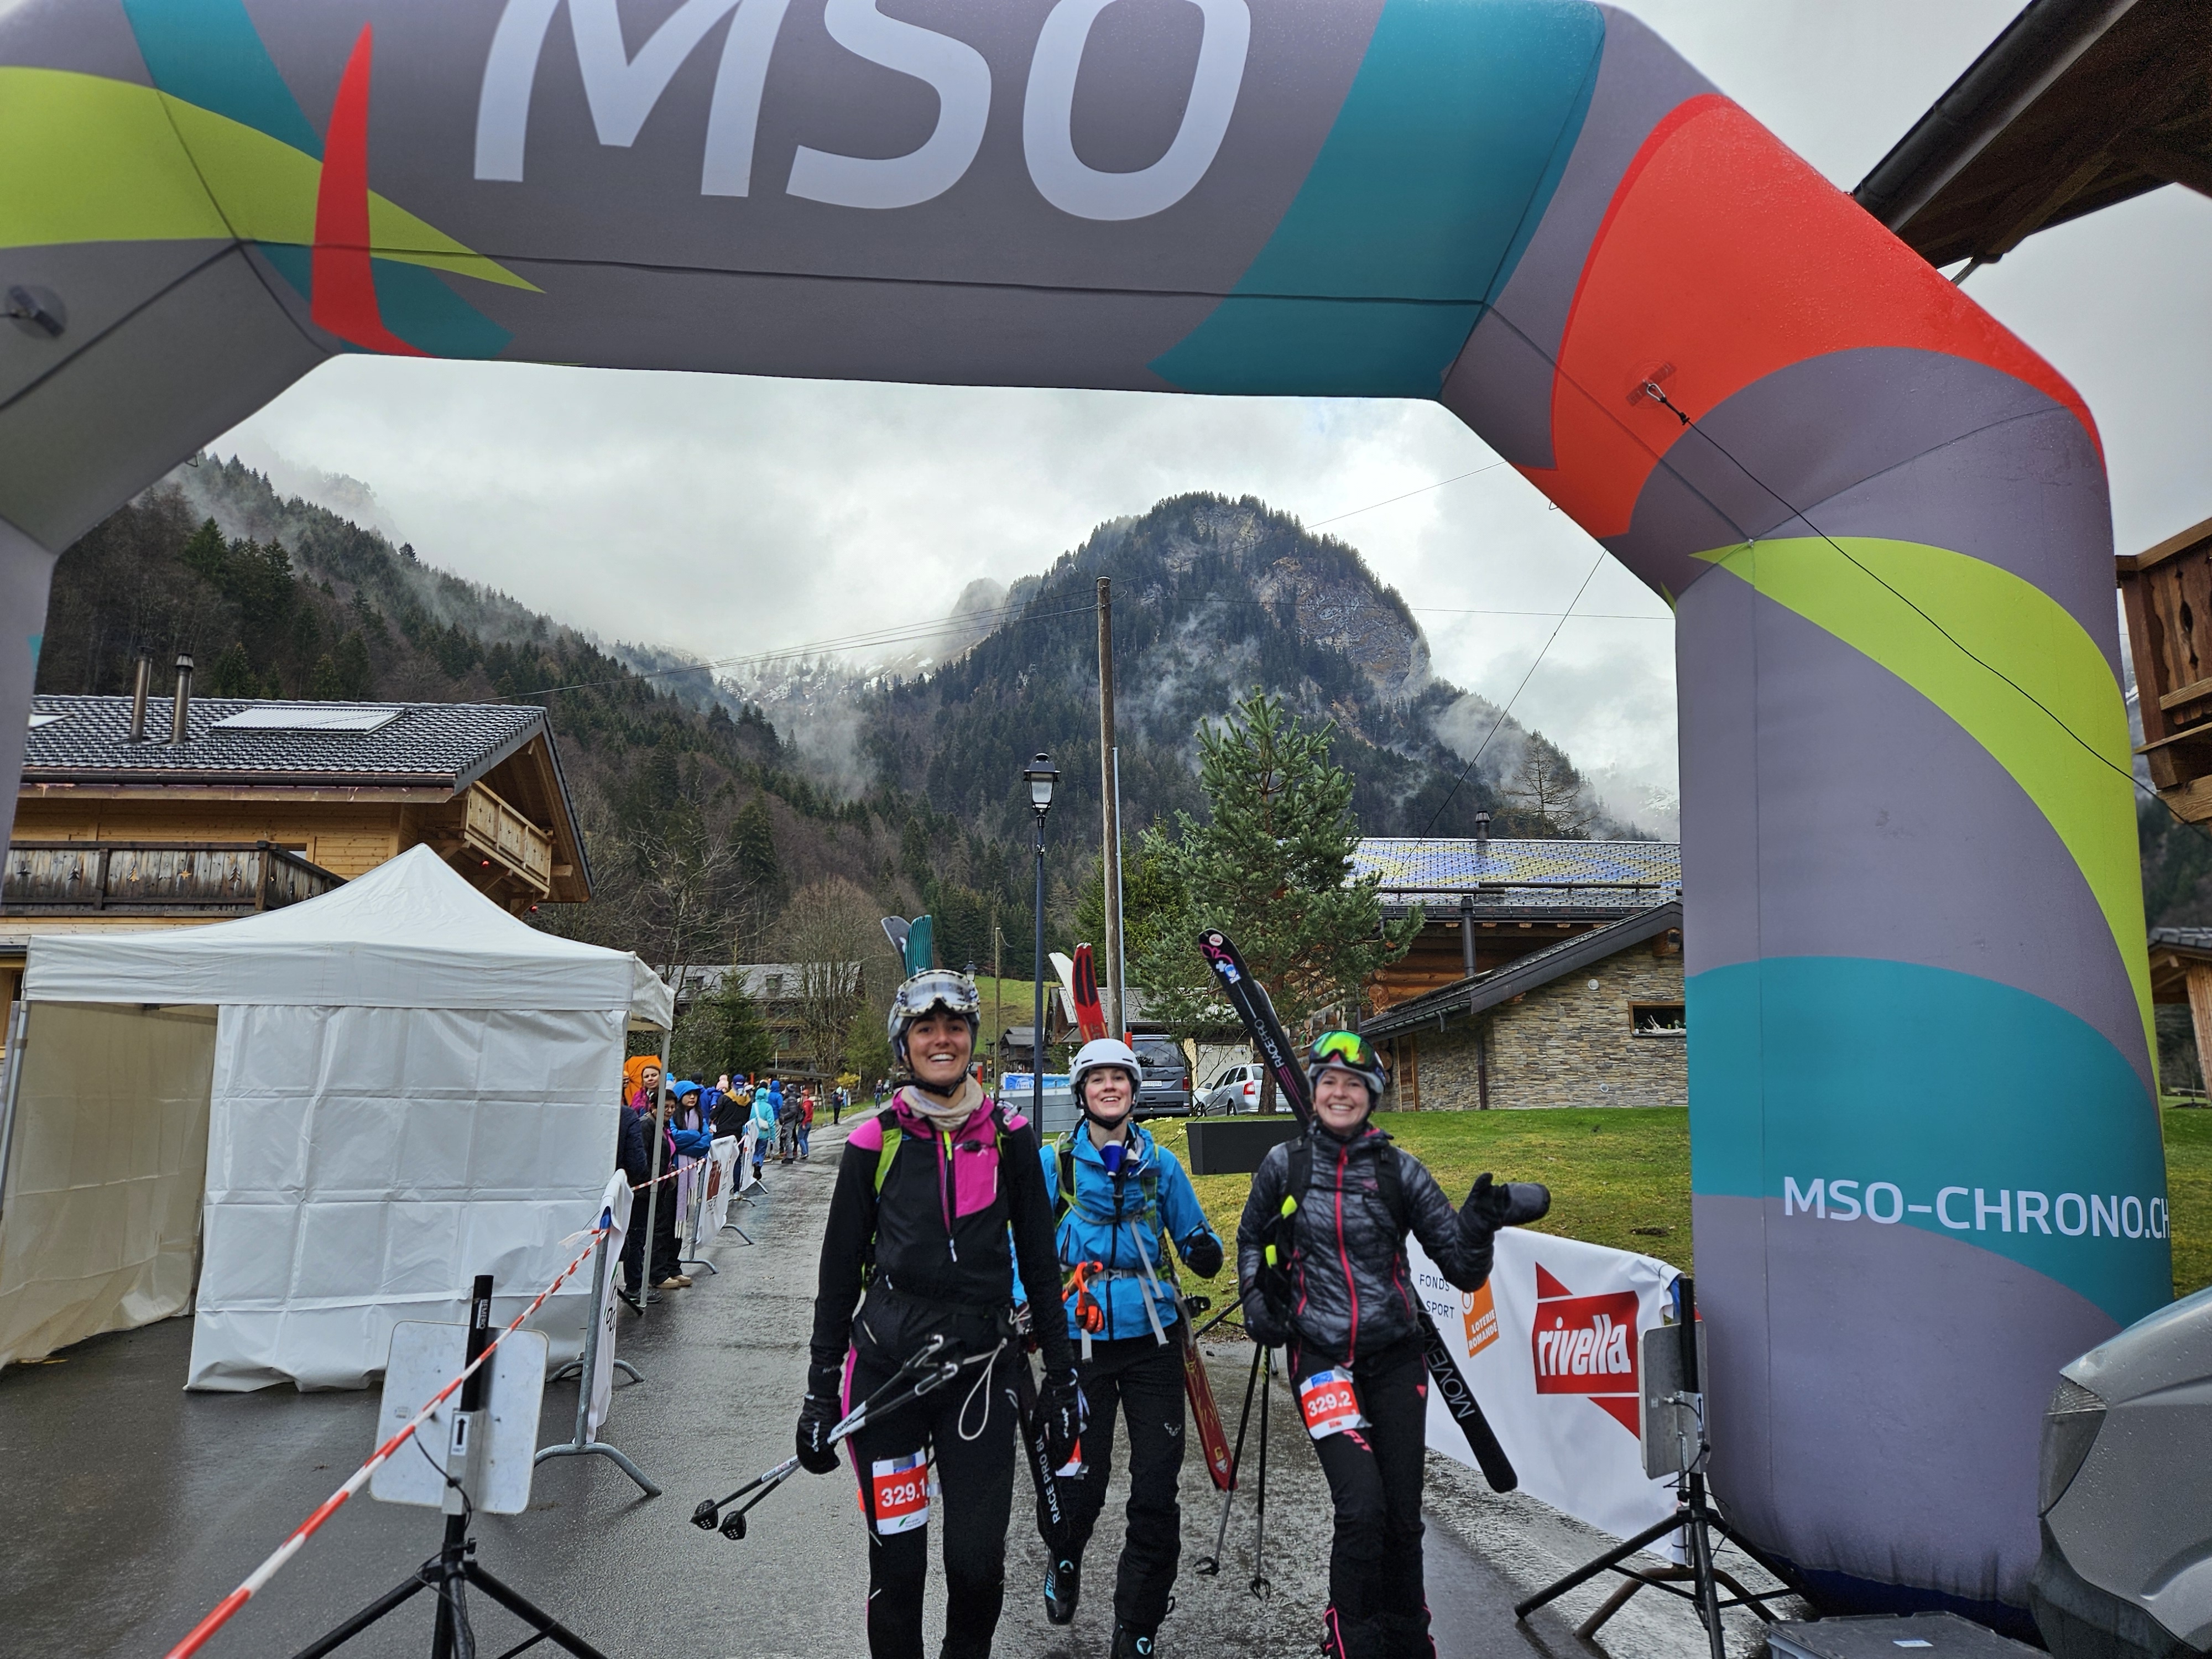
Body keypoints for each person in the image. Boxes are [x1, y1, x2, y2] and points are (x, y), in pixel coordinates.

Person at [800, 968, 1084, 1659]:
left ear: (971, 1039)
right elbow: (837, 1276)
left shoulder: (1012, 1137)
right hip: (889, 1377)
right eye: (925, 1029)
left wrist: (1062, 1377)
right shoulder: (874, 1143)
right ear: (904, 1045)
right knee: (898, 1573)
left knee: (976, 1568)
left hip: (980, 1373)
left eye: (954, 1027)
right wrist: (818, 1393)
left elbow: (1040, 1267)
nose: (941, 1040)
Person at [1237, 1031, 1545, 1659]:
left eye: (1353, 1084)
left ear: (1371, 1096)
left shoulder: (1399, 1172)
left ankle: (1408, 1637)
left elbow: (1461, 1269)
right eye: (1328, 1082)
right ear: (1314, 1092)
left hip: (1396, 1359)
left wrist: (1480, 1225)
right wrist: (1257, 1302)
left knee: (1403, 1518)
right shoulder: (1285, 1164)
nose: (1340, 1093)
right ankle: (1350, 1637)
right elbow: (1249, 1239)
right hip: (1321, 1359)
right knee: (1362, 1508)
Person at [1035, 1038, 1222, 1658]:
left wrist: (1204, 1250)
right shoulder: (1055, 1163)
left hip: (1153, 1343)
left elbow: (1195, 1234)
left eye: (1120, 1078)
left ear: (1134, 1092)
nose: (1110, 1087)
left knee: (1155, 1491)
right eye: (1098, 1079)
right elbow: (1022, 1245)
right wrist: (1022, 1303)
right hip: (1079, 1342)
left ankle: (1137, 1622)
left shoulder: (1160, 1164)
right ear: (1082, 1092)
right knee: (1080, 1483)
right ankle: (1065, 1555)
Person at [616, 1056, 688, 1296]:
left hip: (657, 1189)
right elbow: (640, 1160)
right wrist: (651, 1180)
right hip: (643, 1192)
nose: (669, 1111)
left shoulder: (663, 1127)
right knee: (637, 1238)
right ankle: (636, 1285)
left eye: (672, 1107)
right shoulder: (646, 1125)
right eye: (664, 1107)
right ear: (653, 1107)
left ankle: (646, 1278)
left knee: (645, 1236)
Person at [749, 1079, 778, 1181]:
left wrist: (745, 1133)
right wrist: (773, 1137)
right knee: (761, 1152)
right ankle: (759, 1165)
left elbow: (747, 1120)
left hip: (753, 1134)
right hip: (764, 1134)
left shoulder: (752, 1106)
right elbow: (771, 1124)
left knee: (753, 1151)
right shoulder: (768, 1107)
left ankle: (755, 1162)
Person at [797, 1087, 815, 1160]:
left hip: (805, 1122)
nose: (803, 1096)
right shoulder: (810, 1104)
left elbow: (806, 1115)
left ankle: (804, 1153)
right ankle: (806, 1152)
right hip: (809, 1123)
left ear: (807, 1096)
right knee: (805, 1139)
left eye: (804, 1095)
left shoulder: (806, 1104)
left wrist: (804, 1123)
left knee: (800, 1138)